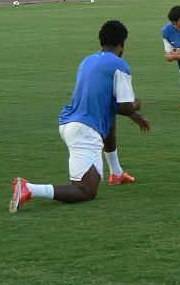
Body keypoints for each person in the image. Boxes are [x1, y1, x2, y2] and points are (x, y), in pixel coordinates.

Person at [10, 20, 150, 213]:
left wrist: (134, 116)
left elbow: (109, 105)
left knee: (109, 123)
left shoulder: (88, 61)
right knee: (86, 190)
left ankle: (116, 174)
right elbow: (125, 106)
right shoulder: (119, 65)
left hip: (70, 122)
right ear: (122, 44)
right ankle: (29, 189)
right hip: (84, 130)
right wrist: (137, 105)